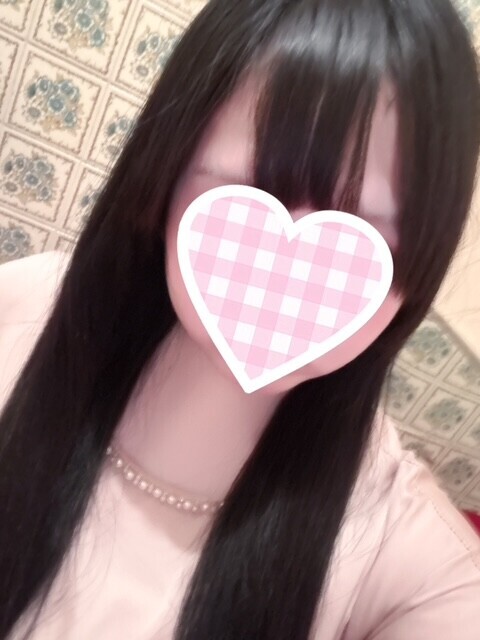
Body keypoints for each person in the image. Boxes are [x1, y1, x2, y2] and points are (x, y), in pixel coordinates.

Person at [1, 0, 480, 638]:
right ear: (162, 184)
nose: (289, 282)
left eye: (370, 239)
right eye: (247, 193)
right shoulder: (23, 308)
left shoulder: (403, 554)